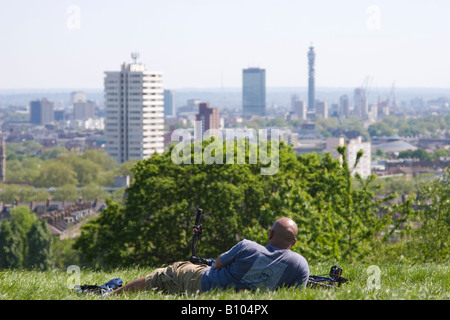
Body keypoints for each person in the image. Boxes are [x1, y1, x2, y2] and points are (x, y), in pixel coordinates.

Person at [110, 217, 309, 295]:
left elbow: (219, 264)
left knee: (164, 274)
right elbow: (293, 295)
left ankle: (110, 296)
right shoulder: (300, 265)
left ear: (270, 234)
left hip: (205, 284)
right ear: (293, 243)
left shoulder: (248, 247)